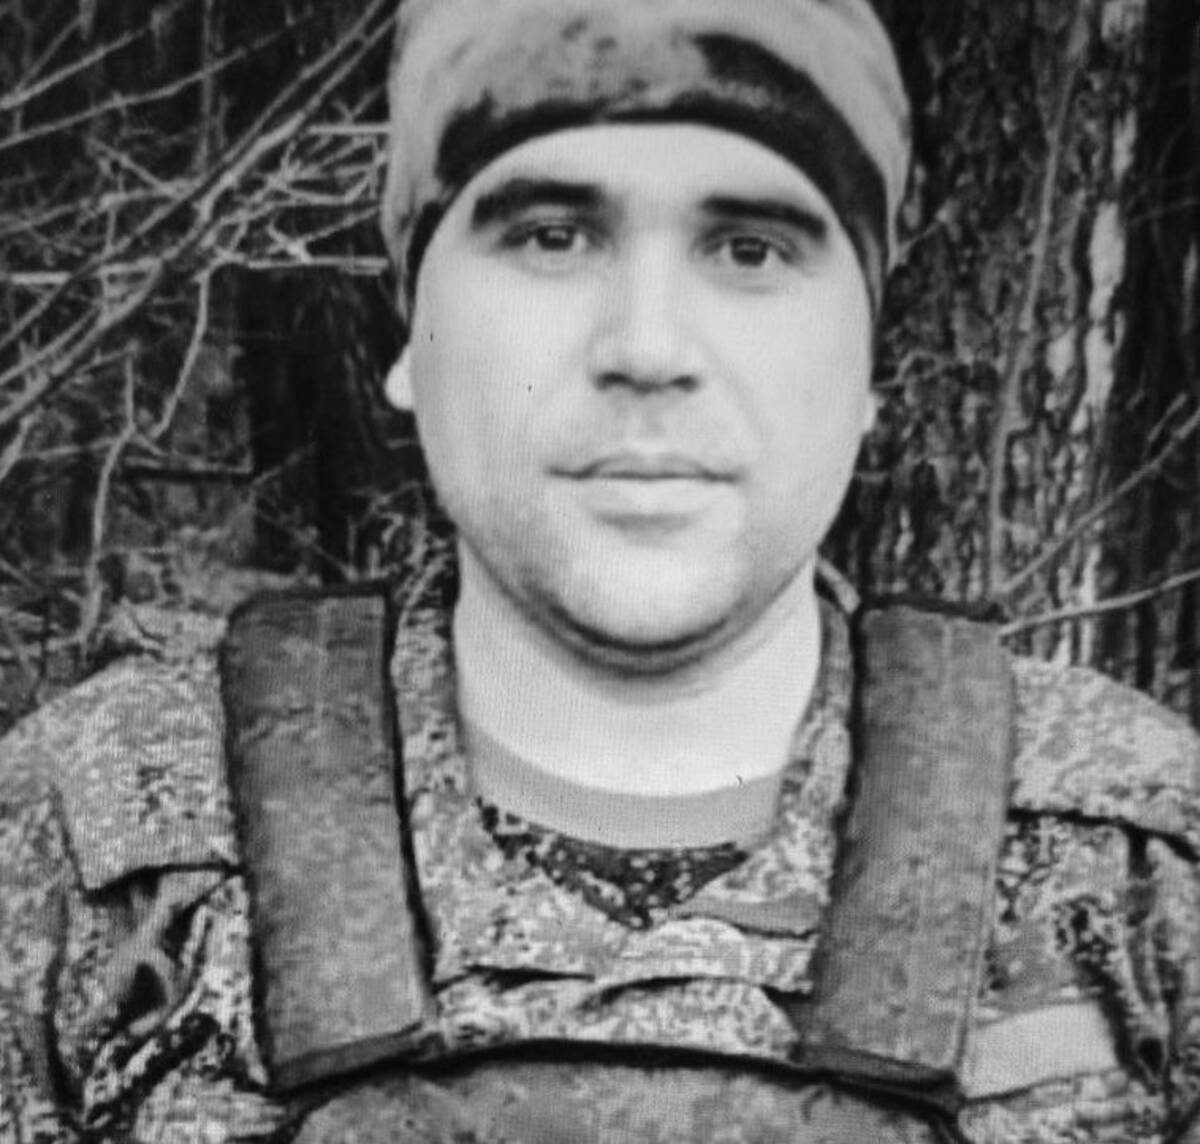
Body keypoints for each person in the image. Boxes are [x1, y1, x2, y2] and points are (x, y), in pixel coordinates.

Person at [3, 1, 1199, 1141]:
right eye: (552, 235)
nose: (648, 346)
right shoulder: (90, 855)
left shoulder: (1144, 868)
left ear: (869, 356)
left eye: (750, 248)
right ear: (412, 326)